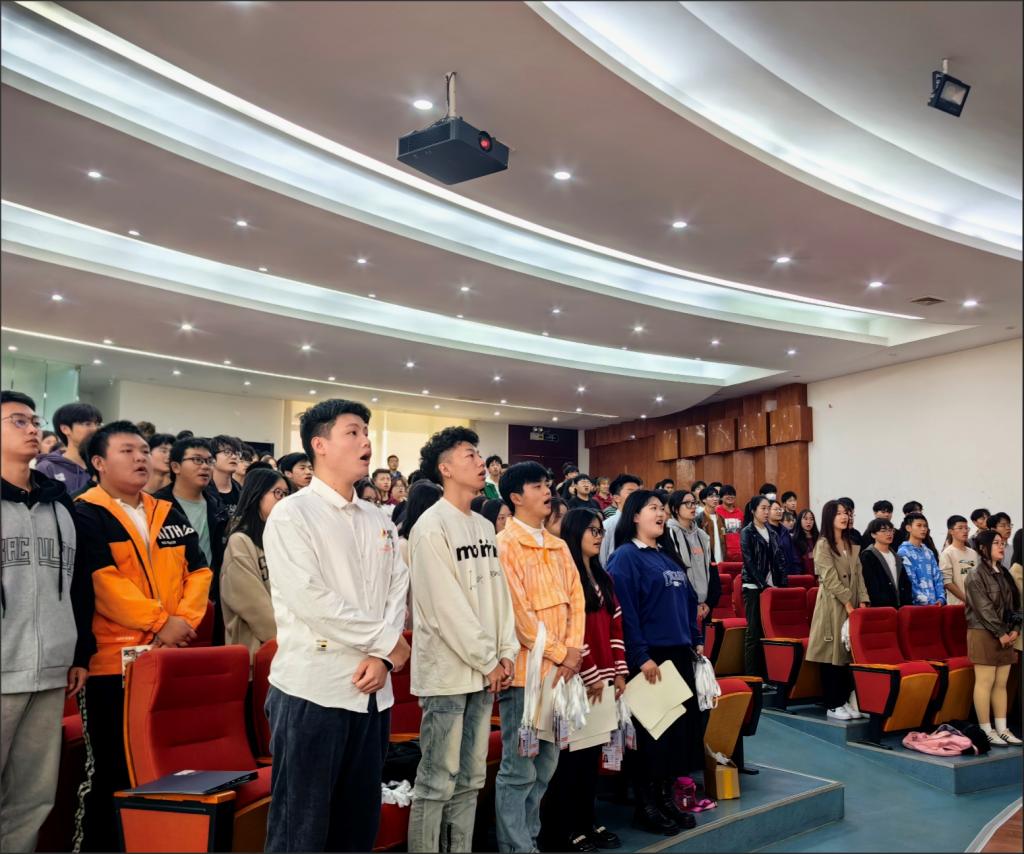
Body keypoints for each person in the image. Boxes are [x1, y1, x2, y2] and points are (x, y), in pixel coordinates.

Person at [262, 399, 410, 852]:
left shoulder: (377, 518)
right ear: (319, 445)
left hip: (373, 693)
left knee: (357, 826)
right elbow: (311, 599)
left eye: (366, 431)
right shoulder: (293, 514)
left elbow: (397, 587)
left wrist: (384, 655)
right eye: (353, 432)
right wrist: (387, 642)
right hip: (314, 690)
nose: (366, 441)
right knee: (301, 831)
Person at [74, 421, 212, 851]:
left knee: (162, 768)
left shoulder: (166, 511)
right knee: (112, 769)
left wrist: (180, 623)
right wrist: (159, 623)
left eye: (143, 450)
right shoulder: (86, 512)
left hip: (168, 658)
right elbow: (103, 582)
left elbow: (200, 571)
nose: (140, 458)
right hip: (112, 666)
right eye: (127, 451)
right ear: (99, 462)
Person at [406, 427, 518, 853]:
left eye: (479, 454)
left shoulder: (485, 526)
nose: (480, 462)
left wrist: (505, 652)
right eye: (469, 455)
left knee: (471, 777)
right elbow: (443, 606)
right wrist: (488, 658)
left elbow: (499, 596)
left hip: (486, 671)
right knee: (437, 778)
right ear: (446, 468)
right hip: (448, 674)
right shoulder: (431, 526)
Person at [1, 391, 92, 854]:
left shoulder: (61, 506)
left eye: (34, 420)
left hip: (53, 668)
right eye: (18, 421)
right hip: (3, 666)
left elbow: (78, 585)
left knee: (34, 798)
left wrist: (78, 653)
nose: (33, 428)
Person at [495, 461, 585, 854]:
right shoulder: (504, 545)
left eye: (547, 484)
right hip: (524, 677)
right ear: (516, 497)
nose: (548, 491)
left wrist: (572, 654)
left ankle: (528, 839)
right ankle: (516, 847)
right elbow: (520, 617)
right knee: (519, 769)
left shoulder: (559, 545)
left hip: (560, 676)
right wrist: (563, 653)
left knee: (546, 764)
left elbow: (576, 601)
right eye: (537, 486)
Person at [608, 490, 701, 835]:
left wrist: (696, 638)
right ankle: (645, 805)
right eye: (653, 508)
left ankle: (665, 798)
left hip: (678, 655)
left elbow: (689, 601)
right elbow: (626, 613)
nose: (661, 513)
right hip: (650, 659)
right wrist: (640, 656)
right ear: (635, 515)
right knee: (651, 736)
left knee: (675, 735)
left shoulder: (666, 555)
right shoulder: (626, 557)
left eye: (663, 509)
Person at [540, 508, 628, 853]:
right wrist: (590, 673)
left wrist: (619, 670)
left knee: (591, 758)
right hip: (575, 681)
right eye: (591, 530)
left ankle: (586, 821)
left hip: (603, 680)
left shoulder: (603, 577)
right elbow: (570, 631)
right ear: (574, 533)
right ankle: (563, 829)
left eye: (600, 530)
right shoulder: (567, 575)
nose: (598, 536)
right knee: (569, 761)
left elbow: (616, 625)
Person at [154, 438, 229, 641]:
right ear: (176, 467)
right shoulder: (157, 506)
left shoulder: (217, 507)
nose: (205, 466)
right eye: (197, 460)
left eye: (209, 461)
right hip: (170, 606)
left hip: (210, 598)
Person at [807, 500, 869, 721]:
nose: (844, 517)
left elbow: (859, 575)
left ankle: (843, 701)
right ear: (829, 517)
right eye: (839, 513)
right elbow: (830, 578)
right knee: (832, 654)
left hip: (852, 603)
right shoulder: (823, 544)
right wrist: (848, 604)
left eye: (846, 513)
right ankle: (832, 704)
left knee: (847, 654)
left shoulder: (850, 543)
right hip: (833, 605)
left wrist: (863, 601)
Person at [220, 469, 289, 658]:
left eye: (286, 494)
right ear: (257, 494)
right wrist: (289, 639)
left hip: (287, 646)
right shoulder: (240, 541)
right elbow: (254, 606)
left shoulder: (282, 538)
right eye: (278, 493)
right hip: (256, 650)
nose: (283, 500)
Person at [964, 530, 1022, 747]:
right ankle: (986, 729)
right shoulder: (975, 575)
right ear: (983, 548)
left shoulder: (1004, 572)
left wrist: (1015, 628)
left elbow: (1016, 604)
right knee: (985, 682)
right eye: (996, 543)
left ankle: (1002, 728)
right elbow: (984, 609)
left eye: (1002, 543)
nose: (1001, 546)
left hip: (1005, 633)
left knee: (1001, 684)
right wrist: (1001, 633)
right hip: (984, 633)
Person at [740, 495, 788, 679]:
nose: (767, 512)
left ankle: (768, 675)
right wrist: (763, 585)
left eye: (769, 508)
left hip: (771, 587)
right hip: (754, 586)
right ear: (753, 511)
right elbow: (749, 562)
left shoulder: (772, 533)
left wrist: (781, 585)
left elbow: (779, 560)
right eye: (763, 508)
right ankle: (752, 677)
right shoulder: (747, 532)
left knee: (769, 632)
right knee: (753, 632)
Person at [667, 490, 721, 627]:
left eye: (694, 503)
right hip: (681, 604)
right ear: (675, 508)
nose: (693, 507)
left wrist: (708, 603)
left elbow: (712, 569)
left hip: (705, 607)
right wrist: (693, 603)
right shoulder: (668, 534)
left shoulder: (702, 536)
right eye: (687, 503)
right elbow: (675, 573)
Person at [35, 402, 103, 496]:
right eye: (87, 424)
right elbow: (48, 505)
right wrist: (91, 483)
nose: (95, 429)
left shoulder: (102, 465)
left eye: (97, 424)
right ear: (65, 429)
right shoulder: (47, 468)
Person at [859, 518, 912, 608]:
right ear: (873, 534)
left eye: (891, 530)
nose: (889, 534)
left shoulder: (896, 556)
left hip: (900, 606)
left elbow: (905, 582)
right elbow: (870, 583)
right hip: (880, 607)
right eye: (883, 531)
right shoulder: (868, 555)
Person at [898, 512, 945, 605]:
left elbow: (937, 576)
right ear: (908, 528)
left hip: (935, 604)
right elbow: (910, 580)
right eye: (919, 525)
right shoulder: (903, 552)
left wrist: (941, 598)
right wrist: (925, 601)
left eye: (925, 526)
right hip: (917, 605)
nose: (923, 529)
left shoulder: (928, 552)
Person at [599, 474, 642, 566]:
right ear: (616, 498)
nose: (637, 497)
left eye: (638, 493)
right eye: (631, 493)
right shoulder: (608, 525)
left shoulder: (644, 523)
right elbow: (602, 559)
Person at [939, 515, 979, 606]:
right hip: (957, 605)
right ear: (951, 531)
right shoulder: (947, 553)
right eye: (960, 528)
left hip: (976, 604)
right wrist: (967, 600)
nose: (965, 531)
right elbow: (947, 583)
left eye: (966, 528)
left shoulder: (973, 553)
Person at [207, 435, 243, 518]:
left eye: (237, 453)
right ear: (212, 458)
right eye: (227, 452)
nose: (234, 457)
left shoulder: (241, 491)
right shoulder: (203, 491)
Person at [769, 499, 801, 576]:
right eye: (776, 509)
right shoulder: (765, 531)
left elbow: (793, 554)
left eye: (780, 509)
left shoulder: (785, 531)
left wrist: (797, 571)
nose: (779, 511)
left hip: (789, 574)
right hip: (773, 576)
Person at [698, 485, 728, 565]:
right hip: (706, 560)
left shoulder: (721, 518)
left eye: (716, 496)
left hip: (722, 559)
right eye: (711, 496)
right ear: (704, 500)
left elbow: (724, 538)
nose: (715, 499)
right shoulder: (699, 518)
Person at [716, 484, 744, 561]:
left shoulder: (740, 513)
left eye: (732, 494)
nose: (730, 496)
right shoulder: (716, 511)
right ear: (721, 497)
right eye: (727, 494)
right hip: (722, 551)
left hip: (739, 551)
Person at [793, 509, 820, 575]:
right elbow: (796, 562)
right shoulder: (795, 539)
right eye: (805, 519)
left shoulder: (819, 538)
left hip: (819, 575)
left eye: (811, 519)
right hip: (803, 576)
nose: (809, 522)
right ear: (799, 520)